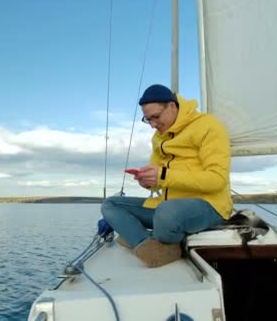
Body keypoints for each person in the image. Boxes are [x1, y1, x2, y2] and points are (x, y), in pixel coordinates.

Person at [100, 84, 233, 268]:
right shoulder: (158, 137)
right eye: (148, 120)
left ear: (172, 106)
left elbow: (217, 180)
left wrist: (162, 175)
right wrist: (147, 181)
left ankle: (138, 239)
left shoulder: (209, 126)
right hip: (166, 208)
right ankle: (148, 247)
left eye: (156, 117)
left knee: (166, 212)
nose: (153, 125)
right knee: (110, 204)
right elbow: (158, 183)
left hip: (209, 207)